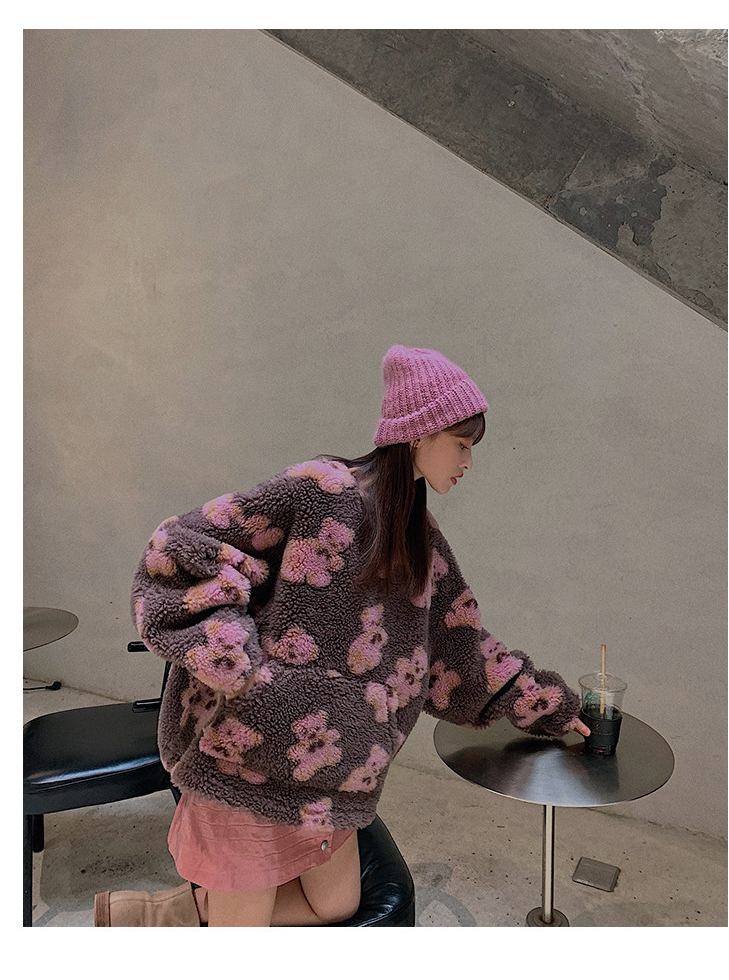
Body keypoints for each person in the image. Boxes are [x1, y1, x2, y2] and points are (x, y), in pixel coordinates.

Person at [94, 344, 589, 928]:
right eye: (461, 444)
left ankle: (163, 916)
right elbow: (180, 547)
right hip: (247, 756)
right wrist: (242, 668)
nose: (468, 462)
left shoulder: (419, 541)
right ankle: (192, 918)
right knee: (243, 929)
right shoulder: (320, 490)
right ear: (419, 434)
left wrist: (548, 706)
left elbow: (461, 651)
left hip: (332, 776)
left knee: (337, 905)